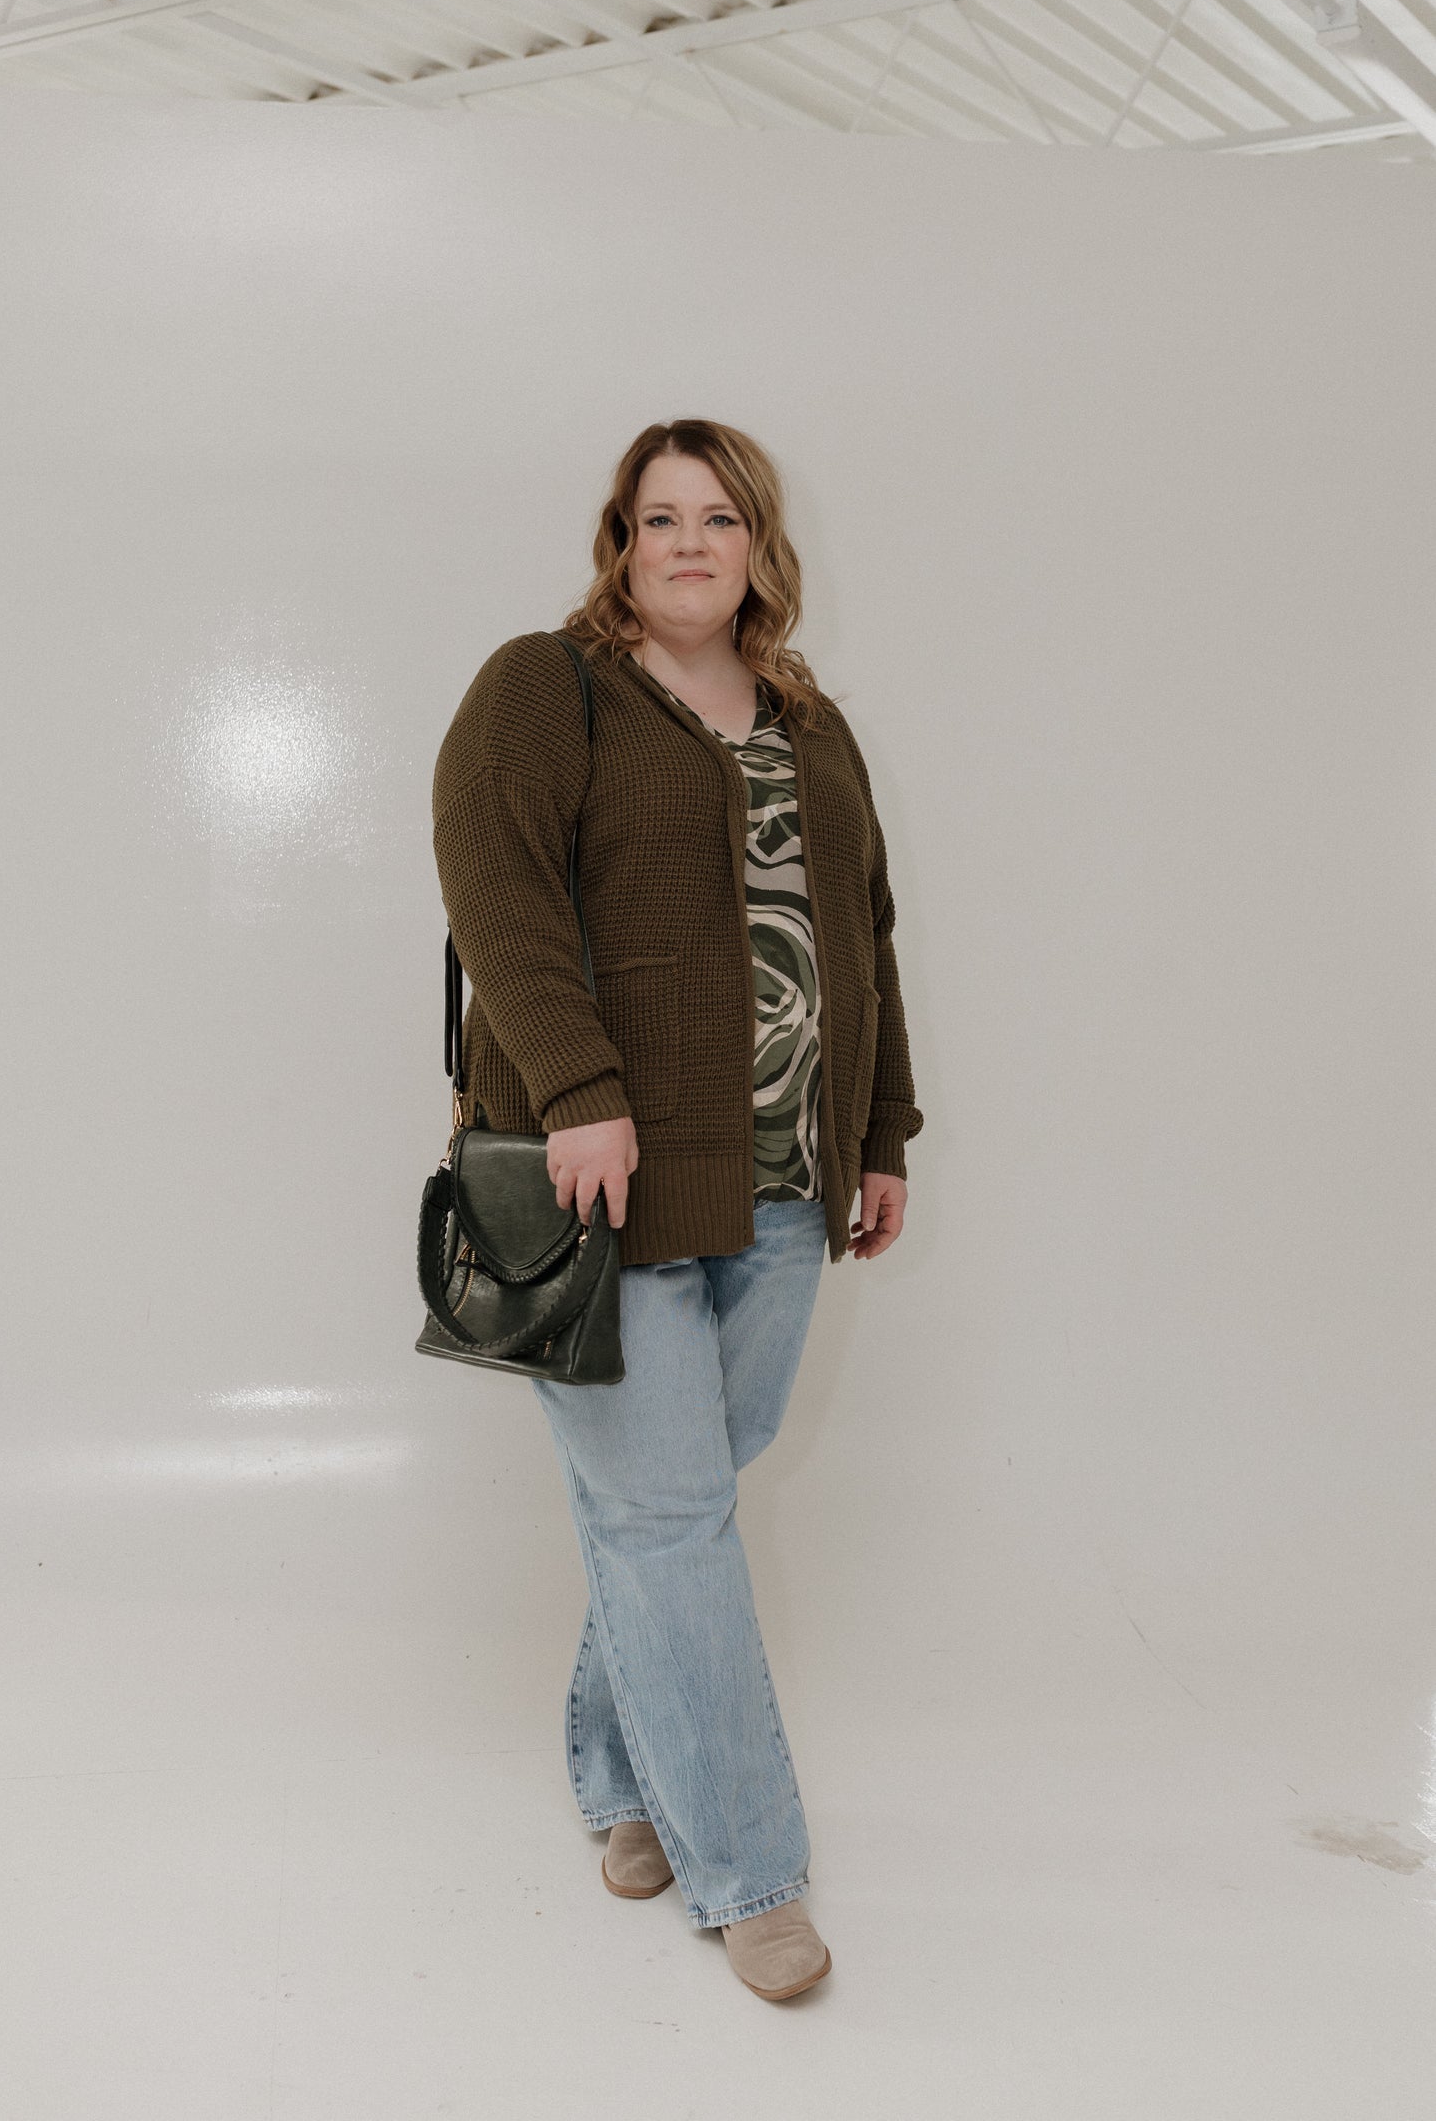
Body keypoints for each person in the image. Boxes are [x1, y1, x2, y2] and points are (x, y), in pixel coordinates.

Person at [431, 417, 922, 2002]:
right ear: (621, 544)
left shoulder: (811, 725)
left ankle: (625, 1775)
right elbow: (495, 893)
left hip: (782, 1182)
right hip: (610, 1176)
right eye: (660, 519)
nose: (690, 544)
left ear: (759, 545)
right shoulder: (548, 687)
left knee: (680, 1495)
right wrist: (578, 1088)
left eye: (719, 518)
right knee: (666, 1515)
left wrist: (880, 1130)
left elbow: (862, 940)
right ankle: (749, 1874)